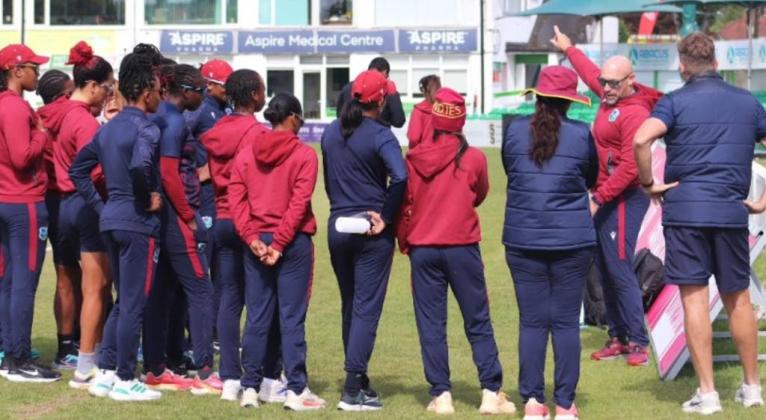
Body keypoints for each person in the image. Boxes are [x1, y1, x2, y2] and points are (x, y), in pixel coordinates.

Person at [634, 32, 765, 415]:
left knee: (694, 298)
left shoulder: (674, 102)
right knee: (738, 297)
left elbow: (642, 140)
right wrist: (761, 200)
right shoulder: (747, 102)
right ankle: (752, 388)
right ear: (717, 63)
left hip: (686, 212)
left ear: (682, 66)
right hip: (729, 210)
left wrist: (647, 184)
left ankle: (708, 394)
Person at [398, 87, 515, 415]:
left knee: (431, 323)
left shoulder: (414, 158)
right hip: (461, 245)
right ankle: (491, 392)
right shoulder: (474, 158)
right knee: (477, 319)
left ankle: (441, 394)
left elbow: (406, 203)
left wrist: (405, 239)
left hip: (423, 247)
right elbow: (479, 194)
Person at [551, 25, 662, 366]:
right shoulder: (610, 94)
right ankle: (617, 335)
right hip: (606, 196)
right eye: (605, 82)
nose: (607, 88)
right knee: (604, 267)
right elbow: (590, 73)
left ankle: (638, 343)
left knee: (619, 268)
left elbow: (631, 167)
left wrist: (599, 198)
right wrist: (570, 49)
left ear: (631, 80)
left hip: (623, 197)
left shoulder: (635, 112)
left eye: (614, 83)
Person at [503, 66, 598, 420]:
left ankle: (532, 401)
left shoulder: (513, 131)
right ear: (569, 102)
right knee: (564, 322)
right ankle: (565, 404)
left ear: (538, 96)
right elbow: (591, 177)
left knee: (532, 322)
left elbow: (512, 170)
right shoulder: (580, 134)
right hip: (571, 240)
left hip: (523, 237)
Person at [70, 51, 163, 402]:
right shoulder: (146, 126)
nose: (158, 94)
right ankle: (125, 377)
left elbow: (78, 171)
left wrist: (101, 206)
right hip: (137, 223)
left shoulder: (108, 130)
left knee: (123, 301)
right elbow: (141, 167)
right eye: (156, 88)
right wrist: (145, 199)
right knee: (134, 302)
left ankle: (107, 372)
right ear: (146, 92)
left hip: (111, 220)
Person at [230, 93, 326, 411]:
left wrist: (252, 238)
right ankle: (295, 389)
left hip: (258, 241)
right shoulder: (304, 154)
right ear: (294, 118)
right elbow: (298, 203)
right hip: (291, 241)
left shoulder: (246, 153)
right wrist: (279, 243)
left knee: (257, 317)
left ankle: (250, 388)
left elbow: (236, 198)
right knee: (291, 317)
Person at [322, 69, 407, 411]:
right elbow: (400, 177)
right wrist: (386, 216)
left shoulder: (330, 131)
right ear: (382, 99)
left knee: (350, 305)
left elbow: (328, 180)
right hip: (370, 226)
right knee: (366, 309)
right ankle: (353, 387)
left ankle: (358, 377)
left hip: (338, 223)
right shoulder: (381, 134)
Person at [201, 69, 285, 403]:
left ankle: (230, 378)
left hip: (221, 218)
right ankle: (260, 377)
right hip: (249, 219)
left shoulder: (218, 129)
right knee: (260, 301)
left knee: (229, 299)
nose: (265, 95)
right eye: (263, 89)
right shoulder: (256, 133)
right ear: (253, 95)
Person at [141, 63, 219, 395]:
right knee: (201, 289)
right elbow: (170, 173)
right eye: (200, 91)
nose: (202, 97)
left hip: (164, 217)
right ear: (185, 91)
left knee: (162, 293)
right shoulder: (172, 120)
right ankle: (203, 370)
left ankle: (158, 366)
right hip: (177, 217)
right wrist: (188, 216)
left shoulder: (159, 116)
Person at [42, 42, 115, 387]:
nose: (110, 93)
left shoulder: (54, 113)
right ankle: (93, 355)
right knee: (96, 284)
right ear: (93, 86)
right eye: (108, 86)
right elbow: (93, 170)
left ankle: (67, 348)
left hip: (59, 204)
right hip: (83, 204)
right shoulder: (83, 122)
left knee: (66, 279)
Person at [0, 44, 60, 383]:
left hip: (8, 200)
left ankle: (11, 355)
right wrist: (42, 136)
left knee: (9, 282)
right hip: (23, 202)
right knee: (22, 284)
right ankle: (19, 358)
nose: (37, 73)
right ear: (16, 70)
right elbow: (23, 157)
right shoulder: (14, 107)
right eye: (33, 67)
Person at [184, 58, 233, 348]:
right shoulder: (198, 111)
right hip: (202, 198)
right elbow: (176, 148)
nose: (228, 92)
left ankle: (214, 332)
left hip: (220, 197)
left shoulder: (223, 109)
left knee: (221, 270)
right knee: (202, 269)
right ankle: (198, 334)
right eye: (223, 87)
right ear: (210, 85)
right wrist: (196, 173)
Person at [36, 69, 82, 372]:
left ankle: (70, 342)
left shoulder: (36, 115)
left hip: (46, 200)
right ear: (63, 94)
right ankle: (70, 344)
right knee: (80, 275)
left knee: (65, 274)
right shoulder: (72, 113)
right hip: (69, 198)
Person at [335, 57, 406, 128]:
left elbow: (339, 116)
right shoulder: (388, 89)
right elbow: (398, 121)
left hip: (348, 136)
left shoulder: (347, 88)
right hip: (378, 135)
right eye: (387, 76)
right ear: (385, 72)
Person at [407, 74, 440, 149]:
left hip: (423, 154)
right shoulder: (446, 109)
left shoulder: (418, 111)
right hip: (444, 155)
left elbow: (413, 138)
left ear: (424, 91)